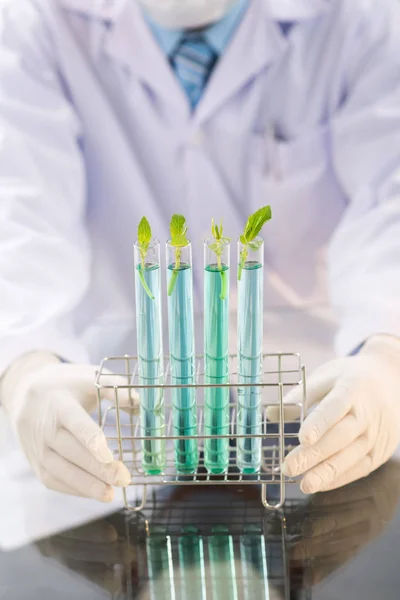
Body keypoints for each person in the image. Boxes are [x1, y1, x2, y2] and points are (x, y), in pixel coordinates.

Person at [1, 0, 400, 503]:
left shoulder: (359, 17)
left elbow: (391, 202)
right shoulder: (38, 21)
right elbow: (19, 217)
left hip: (312, 415)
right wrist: (28, 367)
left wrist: (386, 354)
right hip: (120, 429)